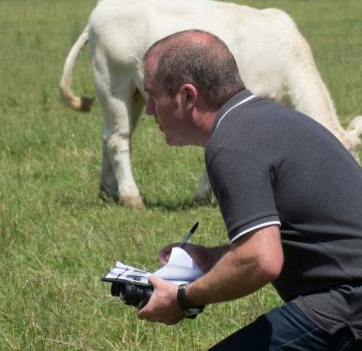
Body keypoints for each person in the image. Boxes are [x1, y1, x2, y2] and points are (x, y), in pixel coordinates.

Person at [137, 29, 362, 350]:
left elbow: (260, 260)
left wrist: (183, 298)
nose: (148, 110)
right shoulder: (266, 120)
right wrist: (209, 258)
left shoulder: (231, 144)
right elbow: (278, 242)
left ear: (187, 96)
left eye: (152, 94)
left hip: (349, 303)